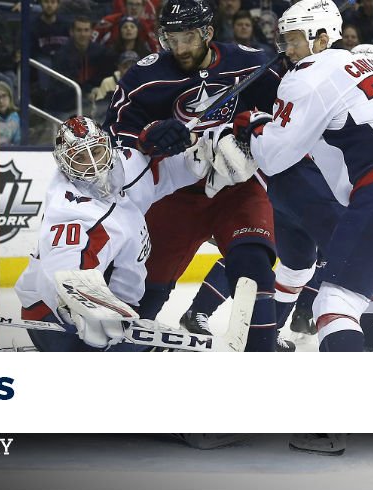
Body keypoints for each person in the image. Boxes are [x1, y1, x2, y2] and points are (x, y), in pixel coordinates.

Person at [235, 0, 373, 359]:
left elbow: (275, 157)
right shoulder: (369, 63)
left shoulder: (307, 73)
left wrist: (256, 125)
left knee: (333, 303)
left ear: (322, 37)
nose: (288, 50)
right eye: (284, 41)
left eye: (294, 39)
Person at [103, 0, 283, 351]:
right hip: (175, 194)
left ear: (207, 33)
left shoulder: (251, 63)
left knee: (254, 266)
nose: (180, 48)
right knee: (142, 297)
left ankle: (263, 352)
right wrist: (148, 135)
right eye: (172, 38)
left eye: (187, 38)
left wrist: (254, 127)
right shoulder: (144, 75)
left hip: (237, 187)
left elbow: (287, 110)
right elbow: (115, 131)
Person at [13, 116, 203, 351]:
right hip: (55, 319)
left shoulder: (126, 166)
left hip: (117, 309)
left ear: (108, 147)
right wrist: (82, 306)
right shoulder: (69, 210)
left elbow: (168, 173)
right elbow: (64, 270)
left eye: (97, 151)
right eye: (80, 157)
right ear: (65, 163)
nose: (93, 163)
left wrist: (203, 155)